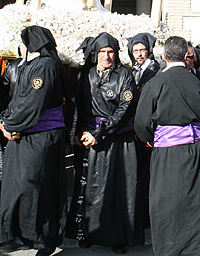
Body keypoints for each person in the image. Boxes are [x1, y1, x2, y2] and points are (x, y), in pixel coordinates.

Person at [134, 36, 200, 256]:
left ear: (164, 56)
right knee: (196, 197)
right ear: (185, 56)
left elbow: (141, 122)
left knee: (167, 197)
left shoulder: (155, 83)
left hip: (166, 149)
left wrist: (151, 137)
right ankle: (198, 245)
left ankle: (170, 246)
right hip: (195, 147)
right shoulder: (197, 81)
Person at [0, 26, 72, 256]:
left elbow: (34, 104)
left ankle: (40, 237)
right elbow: (17, 99)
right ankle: (16, 233)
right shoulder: (29, 65)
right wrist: (3, 119)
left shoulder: (46, 66)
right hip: (24, 134)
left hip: (41, 136)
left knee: (36, 186)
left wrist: (11, 125)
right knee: (15, 186)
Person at [66, 32, 143, 253]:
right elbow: (78, 106)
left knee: (117, 188)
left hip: (117, 139)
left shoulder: (124, 75)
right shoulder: (85, 75)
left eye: (110, 52)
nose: (106, 56)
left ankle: (117, 237)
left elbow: (124, 109)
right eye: (102, 52)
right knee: (89, 187)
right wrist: (79, 132)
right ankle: (87, 231)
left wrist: (99, 133)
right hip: (89, 137)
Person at [127, 32, 160, 230]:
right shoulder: (131, 70)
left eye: (142, 50)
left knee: (148, 173)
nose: (139, 54)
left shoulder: (156, 70)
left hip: (150, 129)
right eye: (135, 50)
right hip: (134, 128)